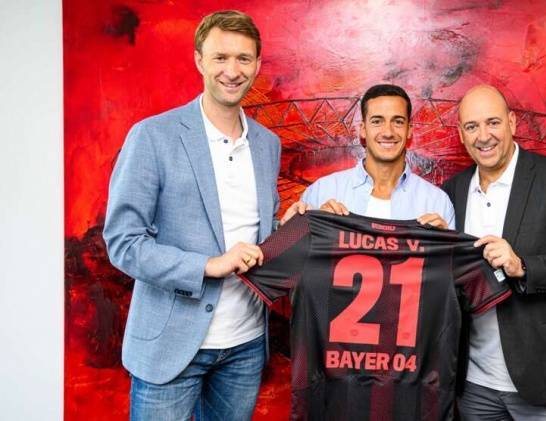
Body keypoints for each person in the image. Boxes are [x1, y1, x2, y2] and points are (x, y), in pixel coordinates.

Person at [103, 10, 279, 420]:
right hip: (171, 344)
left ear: (257, 64)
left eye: (243, 58)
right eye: (220, 57)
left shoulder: (267, 143)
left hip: (246, 344)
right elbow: (124, 243)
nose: (232, 71)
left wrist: (292, 223)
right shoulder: (153, 136)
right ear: (199, 60)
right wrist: (207, 266)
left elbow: (260, 234)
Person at [441, 84, 546, 420]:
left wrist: (523, 267)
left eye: (492, 123)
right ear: (461, 134)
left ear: (512, 122)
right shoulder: (452, 192)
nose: (483, 136)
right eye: (472, 126)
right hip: (475, 385)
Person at [281, 83, 454, 228]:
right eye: (377, 121)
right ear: (363, 129)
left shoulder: (437, 203)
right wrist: (294, 229)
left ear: (409, 130)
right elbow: (290, 253)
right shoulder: (322, 192)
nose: (388, 132)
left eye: (398, 122)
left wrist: (445, 245)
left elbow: (450, 259)